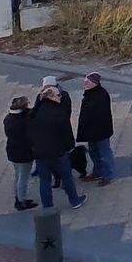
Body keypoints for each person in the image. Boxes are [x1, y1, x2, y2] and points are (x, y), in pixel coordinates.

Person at [28, 79, 84, 208]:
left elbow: (29, 132)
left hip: (40, 153)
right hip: (58, 152)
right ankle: (74, 201)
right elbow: (66, 134)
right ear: (51, 97)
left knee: (44, 181)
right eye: (58, 95)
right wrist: (69, 147)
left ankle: (48, 206)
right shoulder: (59, 113)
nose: (60, 97)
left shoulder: (34, 112)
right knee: (67, 177)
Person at [77, 73, 115, 185]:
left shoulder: (100, 95)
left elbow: (98, 116)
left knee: (104, 153)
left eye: (88, 82)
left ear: (95, 83)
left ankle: (108, 175)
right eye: (85, 82)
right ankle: (98, 172)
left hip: (100, 132)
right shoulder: (91, 93)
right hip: (92, 132)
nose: (85, 84)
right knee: (93, 152)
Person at [3, 95, 36, 211]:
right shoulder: (24, 121)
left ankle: (18, 198)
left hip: (12, 150)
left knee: (18, 175)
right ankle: (21, 201)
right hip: (24, 152)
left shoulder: (8, 119)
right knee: (23, 177)